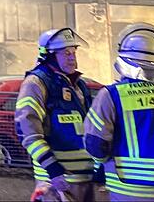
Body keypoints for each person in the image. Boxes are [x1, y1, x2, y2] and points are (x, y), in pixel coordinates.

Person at [83, 23, 154, 201]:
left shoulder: (112, 95)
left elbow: (95, 143)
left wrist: (102, 164)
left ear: (124, 60)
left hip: (129, 191)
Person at [16, 27, 96, 202]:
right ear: (50, 55)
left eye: (74, 52)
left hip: (85, 179)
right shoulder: (35, 83)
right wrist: (52, 168)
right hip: (57, 181)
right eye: (66, 53)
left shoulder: (79, 85)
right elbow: (27, 131)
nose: (72, 57)